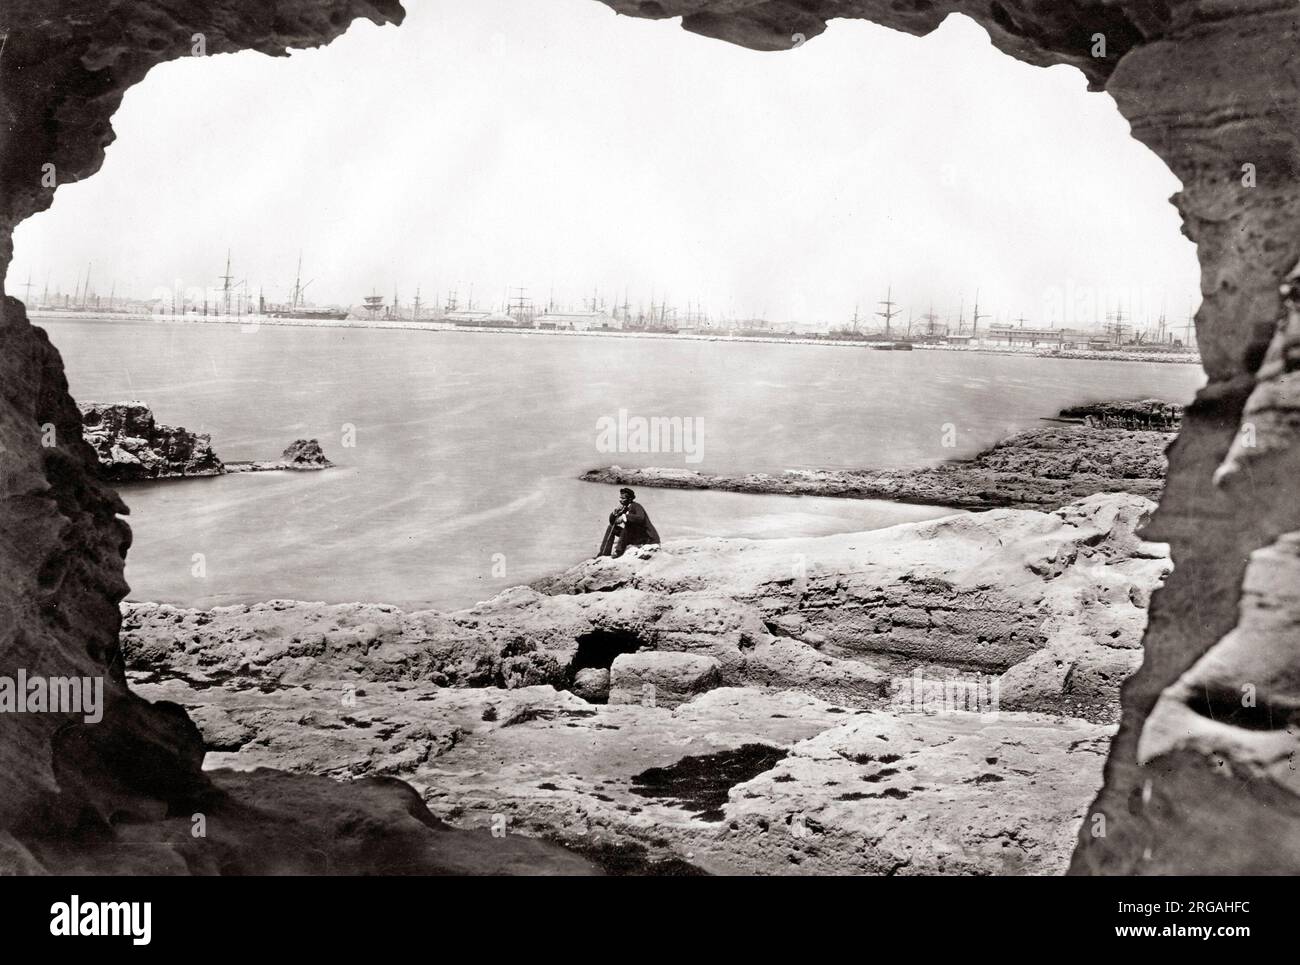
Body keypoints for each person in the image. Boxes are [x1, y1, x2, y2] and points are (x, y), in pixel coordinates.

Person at [598, 487, 660, 558]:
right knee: (611, 527)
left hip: (646, 537)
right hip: (634, 535)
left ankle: (618, 552)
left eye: (623, 498)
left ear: (629, 499)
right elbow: (613, 522)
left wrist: (625, 516)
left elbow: (640, 518)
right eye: (620, 498)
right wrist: (615, 512)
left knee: (628, 527)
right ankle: (604, 553)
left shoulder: (637, 506)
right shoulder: (625, 508)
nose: (620, 500)